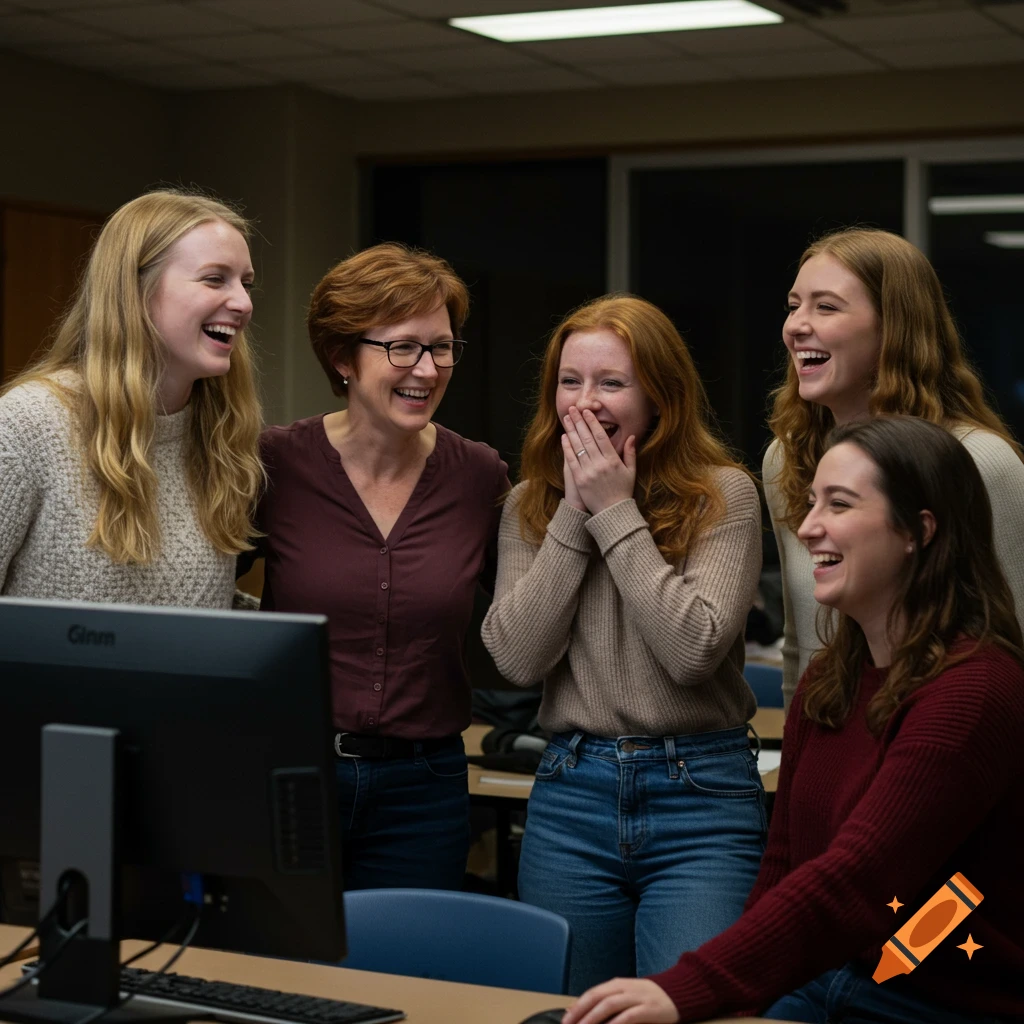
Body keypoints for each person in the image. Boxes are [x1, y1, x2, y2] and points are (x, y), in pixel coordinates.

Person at [564, 416, 1024, 1024]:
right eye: (810, 504)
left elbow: (857, 880)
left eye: (839, 504)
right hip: (828, 981)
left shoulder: (976, 689)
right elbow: (784, 870)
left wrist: (687, 987)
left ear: (918, 530)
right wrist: (737, 994)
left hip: (937, 1001)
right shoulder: (830, 680)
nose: (808, 529)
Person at [481, 295, 765, 994]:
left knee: (691, 1004)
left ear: (660, 395)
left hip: (700, 795)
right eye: (570, 381)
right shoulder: (530, 503)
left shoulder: (723, 495)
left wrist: (615, 510)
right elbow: (515, 659)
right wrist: (574, 516)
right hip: (571, 791)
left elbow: (693, 650)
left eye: (612, 382)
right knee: (574, 1009)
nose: (586, 402)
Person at [240, 243, 508, 891]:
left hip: (426, 788)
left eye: (442, 347)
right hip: (291, 773)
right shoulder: (274, 463)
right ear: (342, 359)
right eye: (402, 347)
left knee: (407, 978)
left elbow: (529, 627)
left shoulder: (479, 475)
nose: (427, 368)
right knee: (279, 974)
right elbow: (189, 590)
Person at [764, 226, 1024, 713]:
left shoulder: (979, 460)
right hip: (832, 743)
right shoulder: (790, 455)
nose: (796, 325)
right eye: (794, 305)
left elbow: (1014, 649)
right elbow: (800, 645)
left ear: (893, 327)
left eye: (826, 306)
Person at [0, 189, 262, 606]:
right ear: (135, 290)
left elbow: (185, 606)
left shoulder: (223, 436)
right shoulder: (27, 425)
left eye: (246, 283)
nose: (243, 303)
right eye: (215, 278)